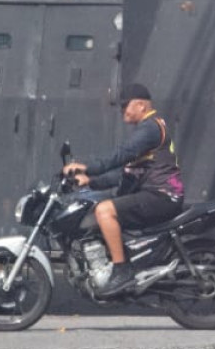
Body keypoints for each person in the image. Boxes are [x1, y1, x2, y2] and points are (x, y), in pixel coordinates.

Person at [64, 83, 183, 293]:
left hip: (162, 195)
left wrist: (89, 167)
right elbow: (124, 174)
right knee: (99, 207)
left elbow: (121, 155)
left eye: (124, 106)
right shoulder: (149, 129)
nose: (122, 111)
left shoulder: (151, 127)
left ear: (140, 105)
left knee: (105, 210)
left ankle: (122, 271)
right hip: (155, 194)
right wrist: (89, 180)